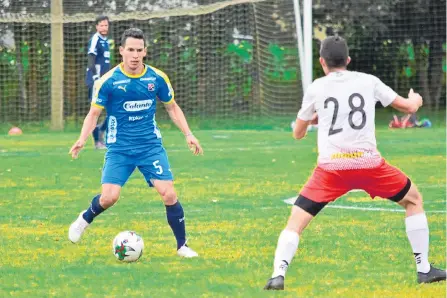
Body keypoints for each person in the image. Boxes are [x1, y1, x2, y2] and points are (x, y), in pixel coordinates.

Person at [263, 36, 446, 290]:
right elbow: (408, 108)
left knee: (295, 222)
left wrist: (315, 120)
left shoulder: (317, 87)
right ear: (348, 60)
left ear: (322, 62)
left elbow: (298, 133)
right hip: (369, 166)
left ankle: (277, 274)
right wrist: (415, 99)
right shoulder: (368, 81)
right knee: (413, 199)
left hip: (331, 169)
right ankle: (424, 269)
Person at [69, 28, 203, 258]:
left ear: (145, 52)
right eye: (130, 50)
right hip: (119, 148)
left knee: (169, 194)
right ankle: (85, 219)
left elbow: (171, 107)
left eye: (139, 50)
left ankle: (182, 245)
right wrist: (82, 139)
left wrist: (188, 134)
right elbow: (93, 114)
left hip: (150, 146)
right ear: (121, 51)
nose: (135, 55)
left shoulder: (157, 78)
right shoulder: (108, 81)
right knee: (109, 198)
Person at [85, 15, 111, 149]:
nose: (104, 27)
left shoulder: (106, 41)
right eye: (101, 25)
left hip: (106, 81)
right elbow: (91, 58)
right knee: (95, 111)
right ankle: (97, 141)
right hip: (96, 81)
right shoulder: (95, 39)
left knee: (113, 109)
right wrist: (95, 77)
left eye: (106, 25)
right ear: (97, 26)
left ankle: (101, 130)